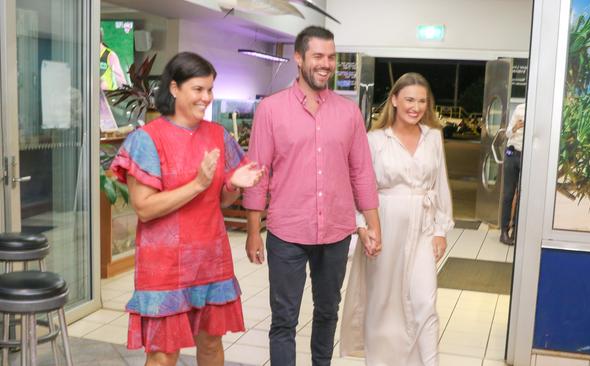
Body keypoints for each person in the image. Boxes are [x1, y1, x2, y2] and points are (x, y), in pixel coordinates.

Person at [110, 52, 265, 366]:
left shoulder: (219, 136)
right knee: (164, 354)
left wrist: (232, 184)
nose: (206, 98)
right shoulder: (147, 140)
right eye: (198, 89)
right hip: (165, 265)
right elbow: (145, 208)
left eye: (210, 89)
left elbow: (220, 202)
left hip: (210, 258)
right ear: (174, 88)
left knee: (210, 343)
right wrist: (198, 183)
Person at [243, 26, 381, 366]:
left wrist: (373, 225)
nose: (326, 64)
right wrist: (251, 231)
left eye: (331, 57)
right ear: (299, 58)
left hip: (335, 231)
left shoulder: (349, 113)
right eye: (318, 56)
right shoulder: (271, 110)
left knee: (327, 312)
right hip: (286, 232)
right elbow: (257, 174)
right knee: (284, 319)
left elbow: (361, 172)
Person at [340, 72, 455, 366]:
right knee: (383, 305)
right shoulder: (375, 140)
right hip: (385, 226)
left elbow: (440, 184)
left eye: (421, 101)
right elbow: (358, 189)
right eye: (409, 100)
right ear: (394, 100)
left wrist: (441, 229)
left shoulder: (433, 138)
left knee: (425, 303)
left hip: (423, 229)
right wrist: (363, 227)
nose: (415, 107)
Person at [499, 103, 525, 245]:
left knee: (523, 194)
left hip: (528, 157)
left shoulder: (540, 110)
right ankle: (504, 231)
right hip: (512, 154)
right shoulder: (520, 108)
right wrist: (516, 127)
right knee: (509, 194)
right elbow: (508, 133)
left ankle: (516, 230)